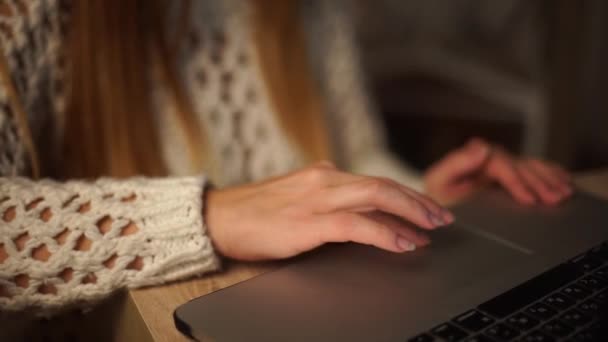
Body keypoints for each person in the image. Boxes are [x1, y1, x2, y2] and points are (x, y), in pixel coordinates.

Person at [0, 0, 571, 317]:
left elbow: (354, 151)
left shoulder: (307, 12)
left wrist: (422, 197)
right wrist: (205, 216)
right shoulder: (33, 16)